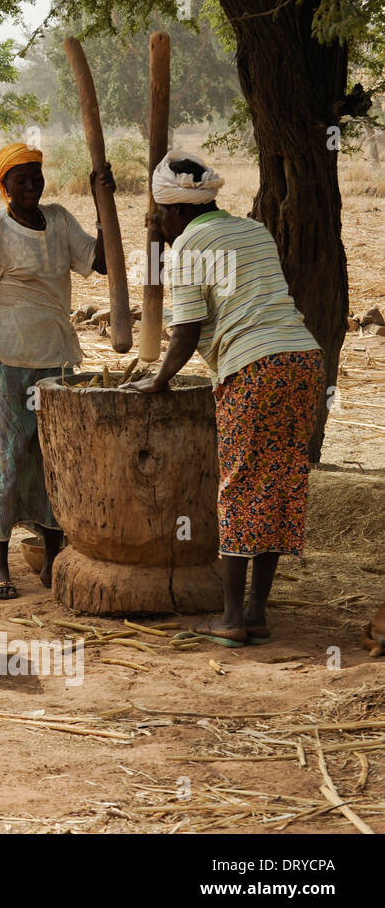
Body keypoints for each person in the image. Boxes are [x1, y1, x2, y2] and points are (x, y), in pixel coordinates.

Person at [124, 152, 323, 647]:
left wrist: (158, 381)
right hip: (302, 361)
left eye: (160, 215)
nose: (159, 224)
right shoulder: (254, 231)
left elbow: (186, 332)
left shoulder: (188, 245)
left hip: (254, 368)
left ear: (180, 211)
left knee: (238, 485)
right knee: (278, 480)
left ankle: (231, 618)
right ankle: (256, 612)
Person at [0, 142, 115, 598]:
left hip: (57, 361)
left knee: (54, 459)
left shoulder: (60, 220)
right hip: (8, 361)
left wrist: (103, 206)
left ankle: (52, 558)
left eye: (36, 177)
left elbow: (101, 262)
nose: (31, 186)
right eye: (21, 180)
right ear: (4, 186)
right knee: (6, 460)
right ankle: (0, 563)